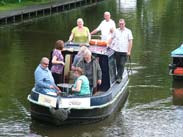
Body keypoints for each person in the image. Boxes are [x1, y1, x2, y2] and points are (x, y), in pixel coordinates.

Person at [109, 19, 133, 83]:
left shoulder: (128, 31)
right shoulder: (116, 31)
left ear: (124, 24)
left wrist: (129, 51)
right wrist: (108, 45)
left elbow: (130, 41)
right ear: (118, 24)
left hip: (124, 51)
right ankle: (118, 75)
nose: (121, 25)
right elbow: (111, 38)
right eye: (120, 24)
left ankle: (119, 78)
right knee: (118, 64)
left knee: (122, 64)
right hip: (117, 51)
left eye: (122, 24)